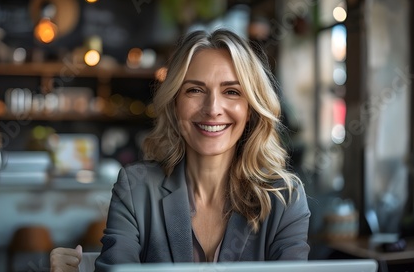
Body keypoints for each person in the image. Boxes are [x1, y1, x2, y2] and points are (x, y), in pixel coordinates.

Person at [50, 28, 310, 272]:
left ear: (250, 109)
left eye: (231, 91)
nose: (212, 108)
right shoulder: (136, 188)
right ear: (175, 103)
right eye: (195, 90)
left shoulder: (284, 198)